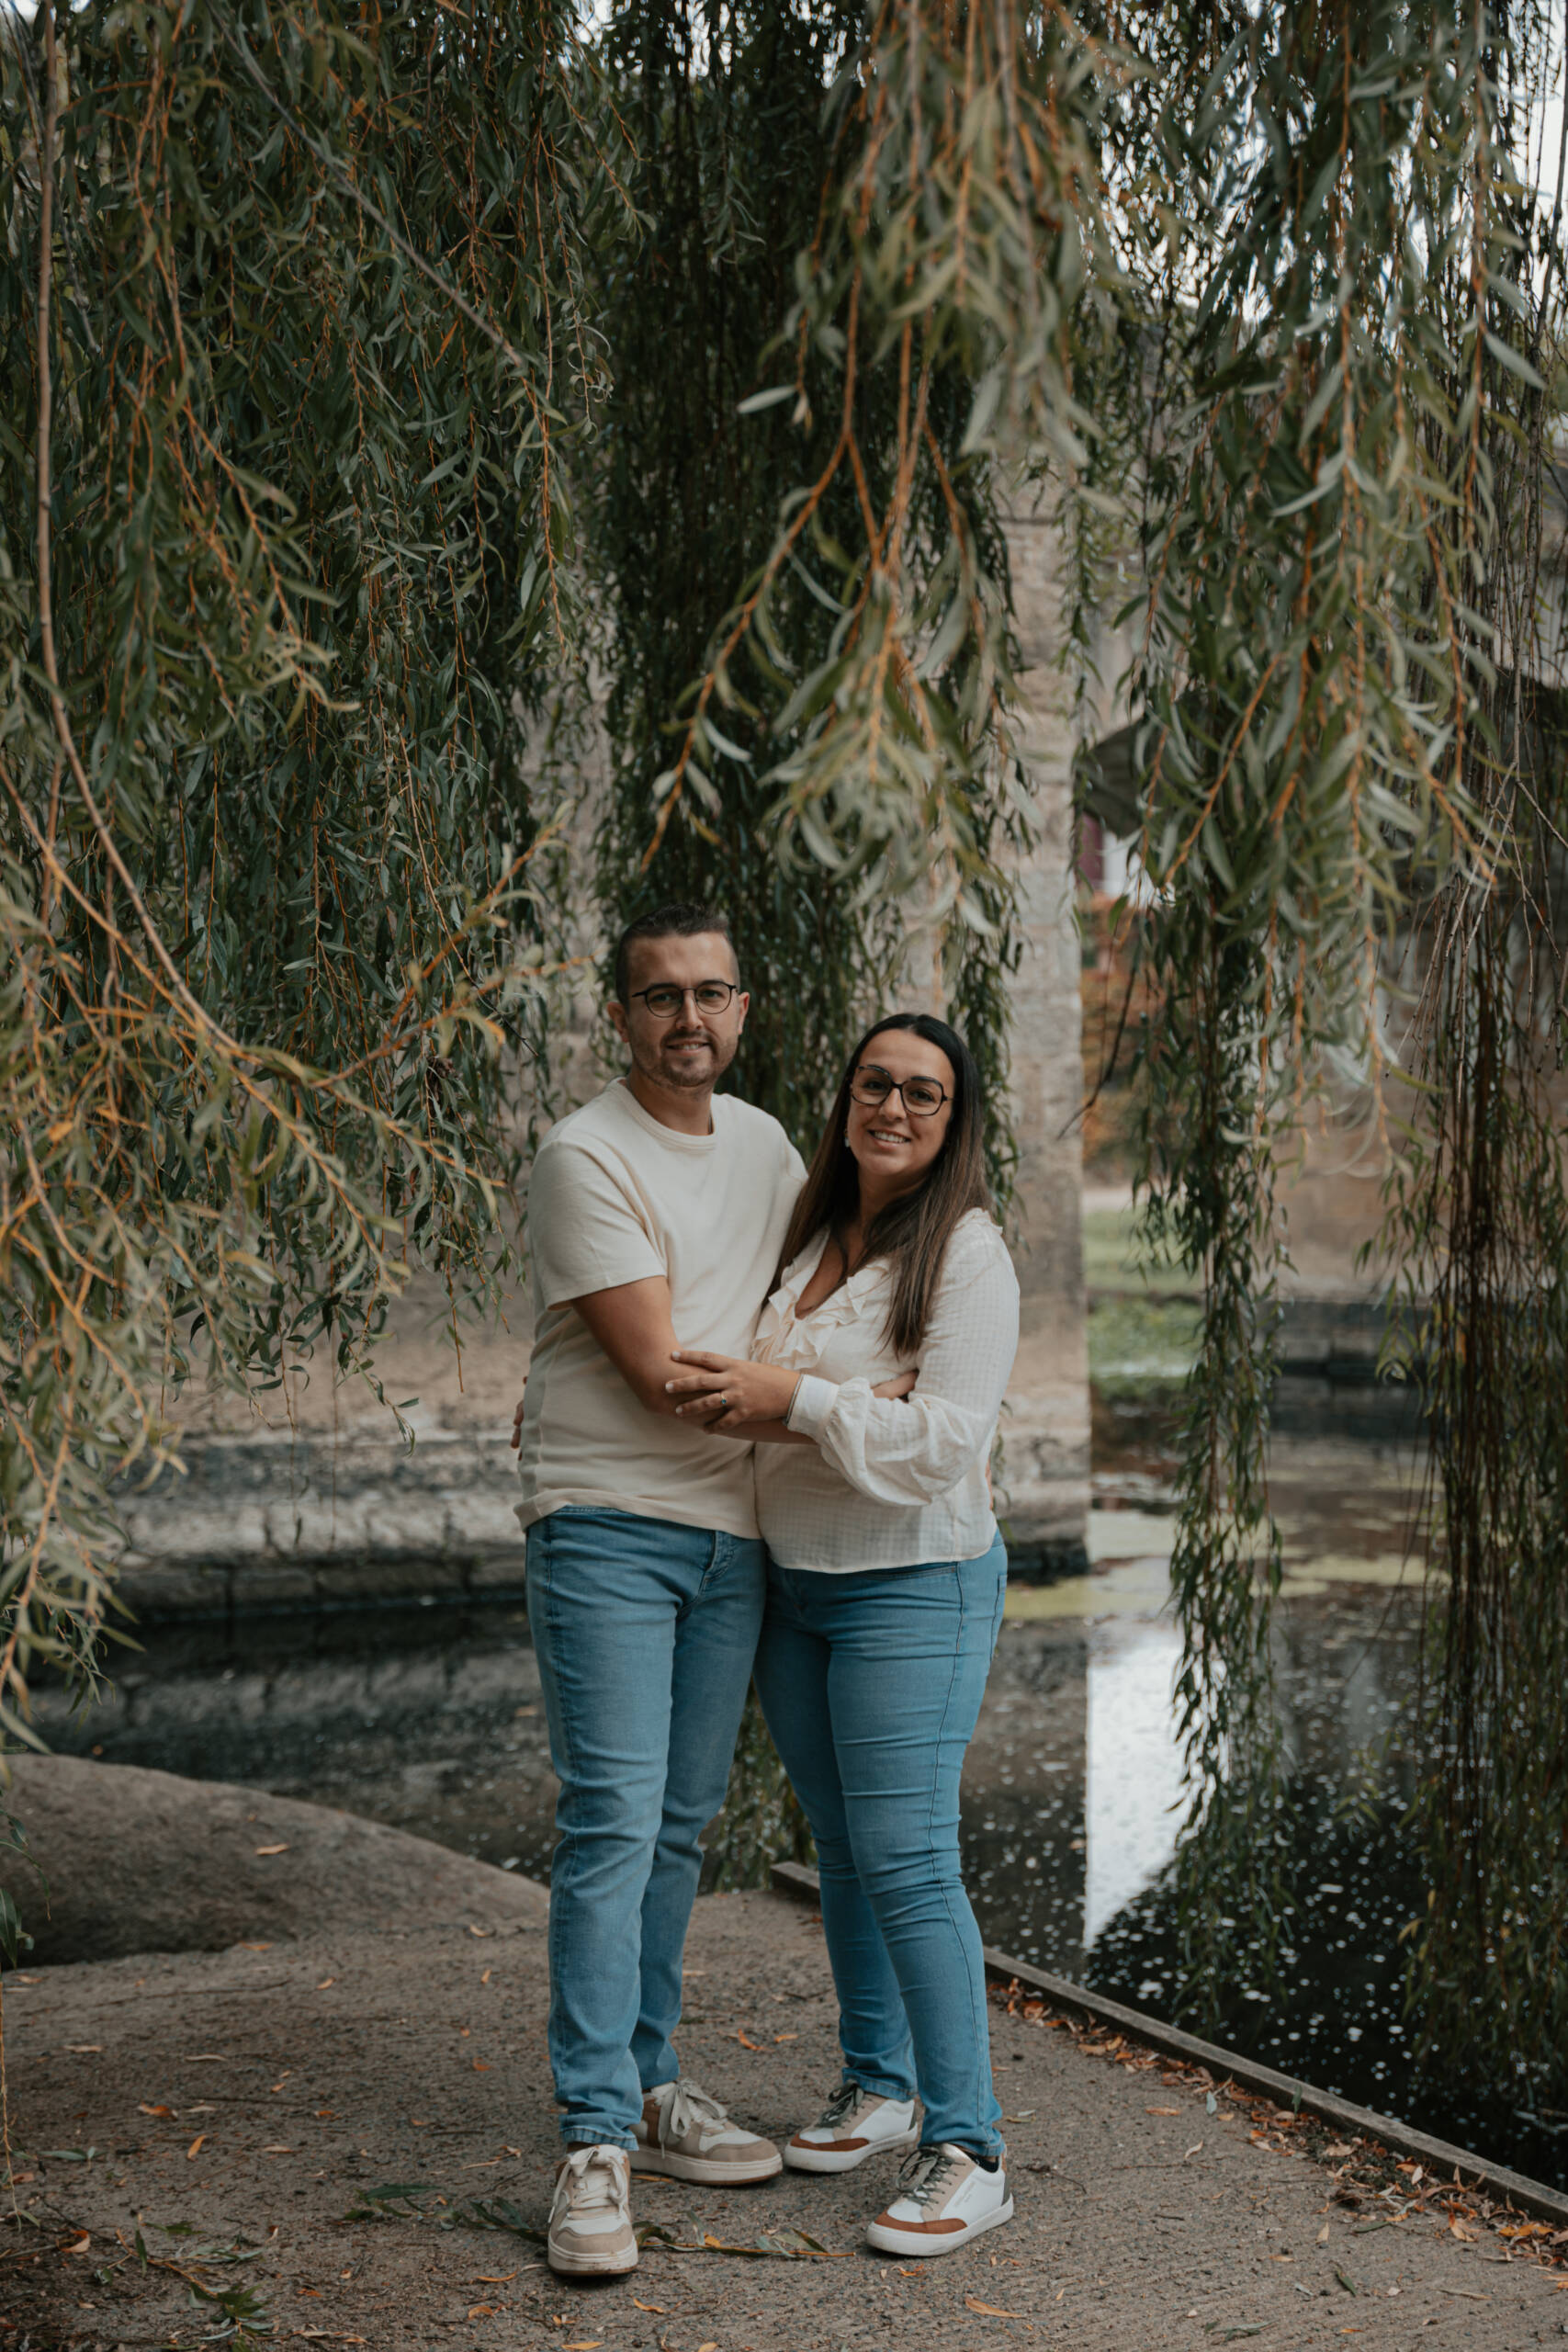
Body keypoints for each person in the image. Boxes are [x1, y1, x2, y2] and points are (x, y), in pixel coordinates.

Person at [664, 1012, 1021, 2257]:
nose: (895, 1107)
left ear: (954, 1119)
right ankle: (881, 2083)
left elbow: (944, 1446)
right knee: (847, 1851)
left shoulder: (968, 1254)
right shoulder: (810, 1234)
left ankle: (971, 2149)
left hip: (913, 1584)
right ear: (848, 1097)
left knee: (910, 1859)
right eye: (876, 1083)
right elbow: (733, 1398)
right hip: (795, 1586)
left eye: (924, 1093)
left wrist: (802, 1399)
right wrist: (842, 1402)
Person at [514, 902, 806, 2278]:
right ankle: (591, 2142)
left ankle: (647, 2077)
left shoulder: (768, 1147)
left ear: (741, 1008)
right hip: (611, 1525)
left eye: (711, 993)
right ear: (620, 1013)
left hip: (732, 1534)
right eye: (661, 995)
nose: (689, 1017)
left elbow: (809, 1311)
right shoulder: (582, 1156)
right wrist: (841, 1413)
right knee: (614, 1822)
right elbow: (659, 1376)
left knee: (680, 1828)